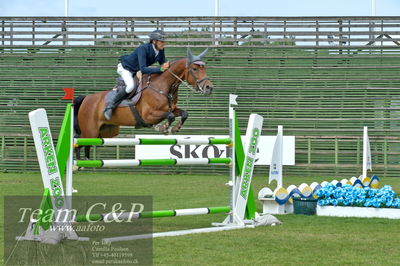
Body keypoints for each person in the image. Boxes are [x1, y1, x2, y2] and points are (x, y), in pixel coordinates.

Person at [104, 29, 170, 120]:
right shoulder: (143, 48)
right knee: (130, 86)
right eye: (161, 41)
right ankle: (110, 106)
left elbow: (163, 64)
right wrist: (160, 69)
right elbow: (143, 69)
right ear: (154, 41)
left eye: (164, 41)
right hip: (126, 68)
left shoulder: (160, 51)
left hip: (136, 70)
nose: (163, 43)